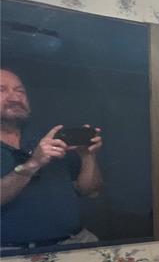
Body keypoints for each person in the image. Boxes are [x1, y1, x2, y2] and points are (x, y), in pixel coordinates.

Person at [0, 68, 103, 249]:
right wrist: (33, 164)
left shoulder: (46, 137)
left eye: (20, 91)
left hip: (75, 241)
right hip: (11, 252)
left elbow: (90, 191)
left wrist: (88, 157)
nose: (15, 98)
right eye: (1, 90)